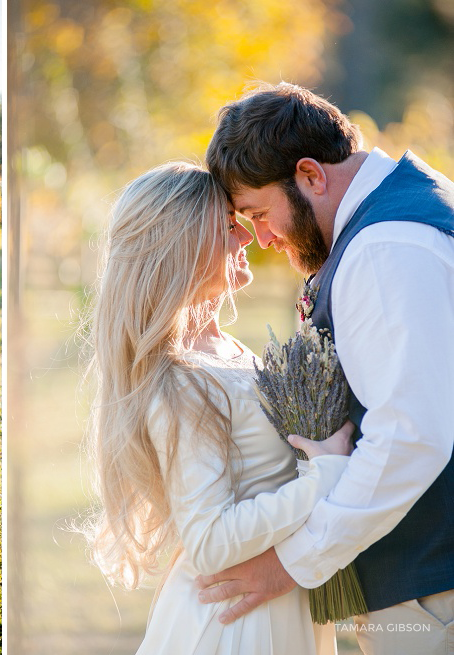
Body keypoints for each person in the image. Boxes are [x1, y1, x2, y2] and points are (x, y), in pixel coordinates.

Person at [199, 82, 454, 655]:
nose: (262, 239)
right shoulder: (408, 212)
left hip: (433, 592)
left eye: (260, 214)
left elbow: (411, 438)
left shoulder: (386, 248)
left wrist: (292, 562)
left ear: (311, 175)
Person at [85, 161, 354, 654]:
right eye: (229, 226)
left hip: (274, 600)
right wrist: (326, 476)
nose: (248, 237)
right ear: (184, 245)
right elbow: (210, 541)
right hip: (236, 626)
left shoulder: (225, 350)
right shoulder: (182, 378)